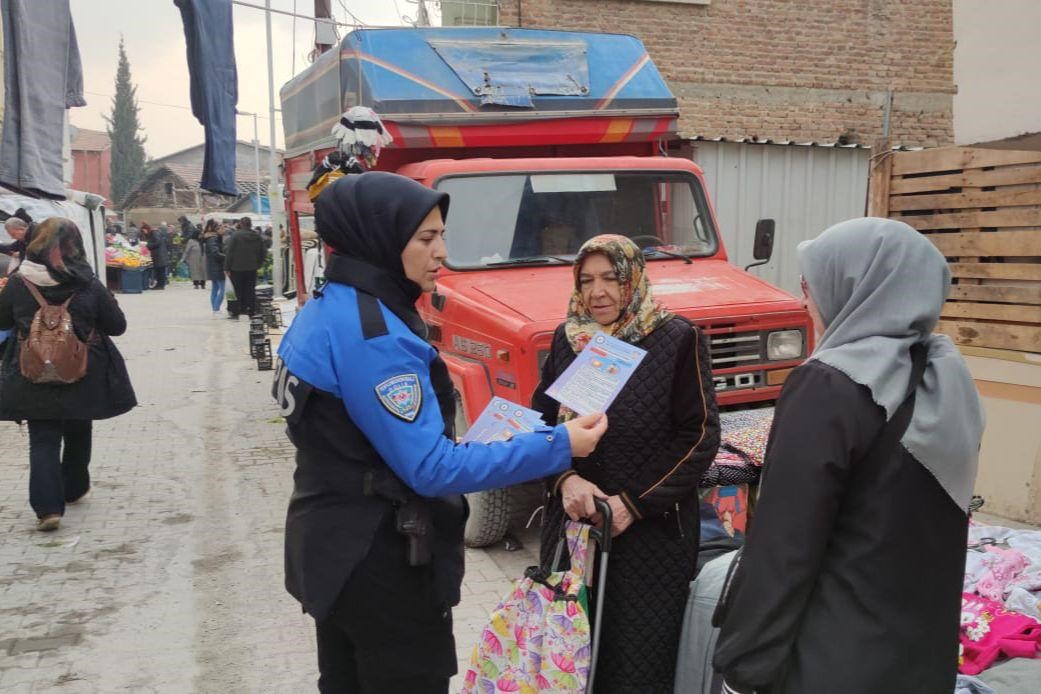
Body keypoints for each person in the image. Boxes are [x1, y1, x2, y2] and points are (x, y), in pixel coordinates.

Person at [274, 172, 609, 693]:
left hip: (329, 544)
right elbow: (431, 469)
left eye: (443, 236)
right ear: (380, 239)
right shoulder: (376, 337)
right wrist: (559, 445)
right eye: (426, 238)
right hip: (380, 560)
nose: (442, 253)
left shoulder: (326, 306)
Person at [712, 218, 986, 694]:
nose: (805, 301)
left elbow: (784, 548)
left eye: (810, 285)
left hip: (829, 658)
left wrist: (743, 668)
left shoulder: (829, 385)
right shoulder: (946, 379)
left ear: (854, 287)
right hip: (919, 659)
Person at [531, 234, 719, 693]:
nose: (598, 292)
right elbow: (541, 426)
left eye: (611, 278)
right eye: (587, 280)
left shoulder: (677, 339)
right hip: (574, 527)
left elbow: (698, 435)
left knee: (637, 663)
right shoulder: (569, 339)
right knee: (569, 655)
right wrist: (565, 480)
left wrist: (632, 504)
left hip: (650, 535)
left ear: (632, 278)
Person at [0, 217, 137, 531]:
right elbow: (117, 326)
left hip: (31, 372)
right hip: (82, 370)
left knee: (43, 438)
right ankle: (73, 488)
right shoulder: (87, 282)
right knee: (78, 426)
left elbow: (2, 321)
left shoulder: (20, 282)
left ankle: (48, 509)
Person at [223, 216, 266, 318]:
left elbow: (230, 252)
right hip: (252, 268)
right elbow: (263, 252)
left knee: (236, 290)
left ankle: (235, 312)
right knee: (250, 289)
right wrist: (258, 264)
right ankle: (251, 311)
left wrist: (226, 268)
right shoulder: (257, 236)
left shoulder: (235, 235)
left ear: (241, 224)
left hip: (236, 268)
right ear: (250, 224)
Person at [201, 220, 226, 316]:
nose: (223, 229)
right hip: (217, 266)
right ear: (216, 229)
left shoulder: (211, 238)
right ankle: (216, 308)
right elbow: (215, 253)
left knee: (215, 288)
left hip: (213, 266)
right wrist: (226, 257)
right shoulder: (213, 239)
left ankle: (215, 309)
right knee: (222, 289)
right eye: (221, 228)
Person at [142, 223, 171, 289]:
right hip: (158, 254)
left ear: (146, 229)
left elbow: (157, 242)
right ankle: (159, 285)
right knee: (159, 271)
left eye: (144, 231)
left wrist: (148, 245)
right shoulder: (153, 233)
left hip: (159, 255)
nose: (144, 232)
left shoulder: (154, 233)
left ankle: (160, 285)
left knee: (160, 271)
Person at [182, 224, 206, 289]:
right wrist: (183, 259)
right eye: (200, 234)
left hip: (203, 258)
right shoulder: (191, 241)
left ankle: (203, 284)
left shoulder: (203, 241)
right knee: (195, 271)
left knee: (203, 271)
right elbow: (187, 251)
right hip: (194, 259)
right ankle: (196, 284)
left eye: (201, 234)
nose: (201, 235)